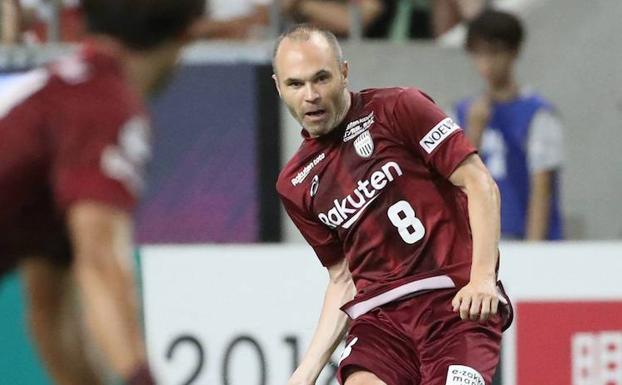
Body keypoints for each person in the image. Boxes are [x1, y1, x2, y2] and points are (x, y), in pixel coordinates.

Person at [273, 24, 512, 385]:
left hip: (454, 305)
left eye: (321, 78)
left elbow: (479, 183)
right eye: (295, 84)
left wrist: (482, 278)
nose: (311, 95)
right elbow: (343, 277)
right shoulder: (294, 183)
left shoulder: (400, 108)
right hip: (380, 322)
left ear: (344, 73)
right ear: (279, 87)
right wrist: (306, 371)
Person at [0, 0, 204, 384]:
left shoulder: (59, 95)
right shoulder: (104, 106)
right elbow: (102, 264)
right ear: (183, 36)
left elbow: (51, 311)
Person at [455, 9, 564, 240]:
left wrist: (534, 251)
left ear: (514, 52)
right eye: (479, 54)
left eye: (495, 53)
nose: (487, 63)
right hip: (479, 240)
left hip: (521, 236)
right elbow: (454, 185)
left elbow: (541, 190)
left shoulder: (538, 114)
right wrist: (473, 134)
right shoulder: (461, 112)